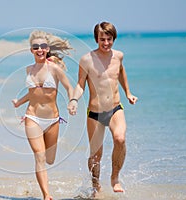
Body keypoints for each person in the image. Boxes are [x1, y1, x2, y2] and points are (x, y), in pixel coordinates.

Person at [68, 22, 138, 196]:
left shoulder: (119, 56)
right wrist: (74, 99)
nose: (106, 43)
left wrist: (128, 93)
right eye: (102, 40)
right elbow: (80, 84)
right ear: (96, 39)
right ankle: (95, 185)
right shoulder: (86, 59)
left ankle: (115, 178)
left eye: (109, 39)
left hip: (115, 108)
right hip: (94, 113)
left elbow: (121, 73)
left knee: (120, 139)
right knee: (95, 155)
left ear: (113, 38)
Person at [12, 30, 73, 200]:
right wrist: (19, 103)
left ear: (47, 49)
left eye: (43, 46)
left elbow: (69, 87)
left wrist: (73, 101)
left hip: (53, 120)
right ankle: (47, 195)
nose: (39, 49)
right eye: (35, 47)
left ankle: (43, 184)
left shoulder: (55, 68)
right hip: (32, 117)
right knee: (39, 156)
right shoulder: (28, 70)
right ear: (31, 50)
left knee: (50, 159)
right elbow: (33, 93)